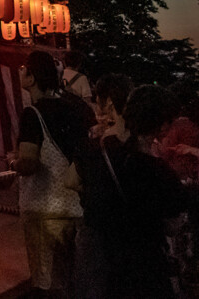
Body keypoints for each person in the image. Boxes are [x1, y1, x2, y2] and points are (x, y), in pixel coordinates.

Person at [66, 85, 187, 299]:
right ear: (162, 127)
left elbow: (72, 182)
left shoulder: (94, 151)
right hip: (145, 270)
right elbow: (172, 225)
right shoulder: (159, 172)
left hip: (102, 267)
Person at [11, 51, 92, 298]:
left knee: (49, 284)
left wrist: (13, 163)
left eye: (24, 69)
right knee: (75, 279)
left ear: (32, 78)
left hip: (44, 212)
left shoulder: (32, 114)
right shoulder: (76, 107)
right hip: (78, 206)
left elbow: (30, 163)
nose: (20, 73)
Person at [66, 73, 133, 299]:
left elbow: (70, 181)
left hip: (96, 229)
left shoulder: (95, 144)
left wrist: (95, 190)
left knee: (93, 287)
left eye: (97, 99)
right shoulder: (142, 142)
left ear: (109, 103)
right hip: (133, 232)